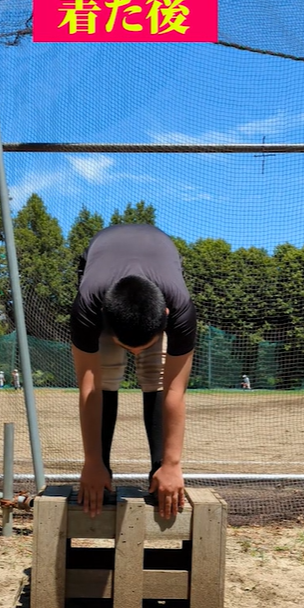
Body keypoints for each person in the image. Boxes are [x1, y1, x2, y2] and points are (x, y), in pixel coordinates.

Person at [70, 223, 197, 521]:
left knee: (156, 372)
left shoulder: (180, 310)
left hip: (160, 258)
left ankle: (158, 474)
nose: (135, 354)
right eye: (128, 346)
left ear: (165, 317)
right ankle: (102, 473)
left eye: (143, 345)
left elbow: (175, 391)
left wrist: (172, 464)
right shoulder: (88, 307)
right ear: (103, 320)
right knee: (108, 371)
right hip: (101, 265)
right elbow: (89, 390)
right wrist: (92, 462)